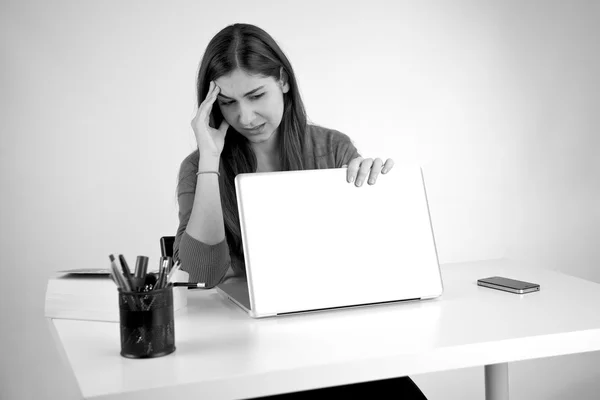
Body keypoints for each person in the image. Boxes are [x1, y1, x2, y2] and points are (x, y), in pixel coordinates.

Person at [174, 23, 427, 400]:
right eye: (227, 102)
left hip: (336, 341)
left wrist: (375, 193)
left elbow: (372, 263)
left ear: (284, 82)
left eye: (256, 95)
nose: (244, 117)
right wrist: (209, 160)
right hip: (247, 352)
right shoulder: (199, 167)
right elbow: (201, 274)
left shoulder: (331, 148)